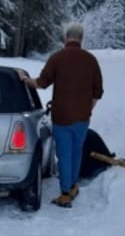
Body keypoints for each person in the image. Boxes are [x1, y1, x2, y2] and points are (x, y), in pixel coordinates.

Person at [17, 22, 103, 208]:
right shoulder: (91, 60)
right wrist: (88, 108)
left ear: (66, 37)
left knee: (64, 155)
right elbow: (98, 92)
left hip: (62, 116)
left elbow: (41, 83)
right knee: (76, 152)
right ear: (81, 38)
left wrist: (25, 80)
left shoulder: (57, 58)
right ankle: (72, 186)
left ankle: (65, 194)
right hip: (82, 118)